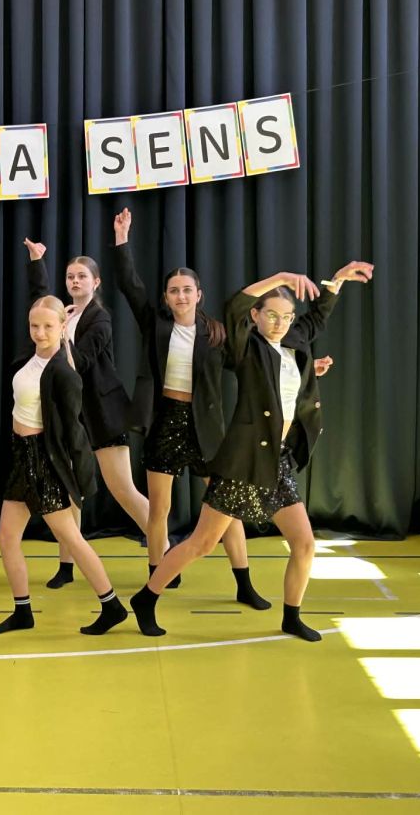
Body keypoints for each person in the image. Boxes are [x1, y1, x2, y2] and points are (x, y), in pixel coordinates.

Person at [129, 261, 374, 641]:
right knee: (202, 543)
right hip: (243, 462)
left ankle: (291, 616)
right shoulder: (246, 347)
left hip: (277, 461)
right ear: (257, 316)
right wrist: (279, 279)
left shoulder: (295, 341)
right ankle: (146, 597)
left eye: (287, 316)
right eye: (271, 315)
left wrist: (337, 281)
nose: (280, 323)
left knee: (304, 543)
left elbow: (318, 315)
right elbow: (235, 306)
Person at [113, 208, 267, 607]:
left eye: (187, 289)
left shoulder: (215, 333)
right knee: (159, 509)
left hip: (206, 429)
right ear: (166, 297)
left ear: (199, 294)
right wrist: (122, 238)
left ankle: (244, 583)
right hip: (165, 421)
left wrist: (303, 368)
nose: (180, 296)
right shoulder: (156, 325)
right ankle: (158, 574)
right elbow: (129, 284)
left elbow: (249, 366)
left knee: (225, 508)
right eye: (173, 290)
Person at [0, 294, 128, 636]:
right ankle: (23, 611)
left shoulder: (63, 372)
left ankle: (112, 605)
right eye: (34, 326)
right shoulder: (30, 358)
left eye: (48, 326)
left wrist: (75, 475)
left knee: (70, 537)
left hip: (44, 461)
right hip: (21, 457)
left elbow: (73, 430)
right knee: (7, 537)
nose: (40, 332)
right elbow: (41, 296)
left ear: (63, 326)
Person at [22, 238, 150, 590]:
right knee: (69, 492)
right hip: (71, 415)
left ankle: (163, 552)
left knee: (124, 490)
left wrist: (62, 333)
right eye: (70, 277)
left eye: (82, 276)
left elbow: (79, 363)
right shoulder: (63, 314)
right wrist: (37, 262)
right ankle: (67, 566)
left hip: (104, 413)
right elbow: (40, 301)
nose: (75, 281)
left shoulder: (100, 318)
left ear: (96, 282)